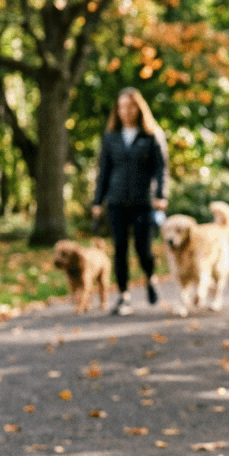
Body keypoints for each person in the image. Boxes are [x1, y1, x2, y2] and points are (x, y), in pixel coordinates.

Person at [90, 87, 168, 316]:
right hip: (116, 202)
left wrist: (161, 196)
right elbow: (103, 171)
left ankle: (150, 276)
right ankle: (123, 296)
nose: (126, 111)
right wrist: (97, 201)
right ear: (117, 109)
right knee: (120, 248)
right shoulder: (111, 136)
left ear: (139, 108)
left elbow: (161, 169)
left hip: (143, 201)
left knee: (143, 249)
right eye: (122, 106)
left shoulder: (151, 135)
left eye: (131, 106)